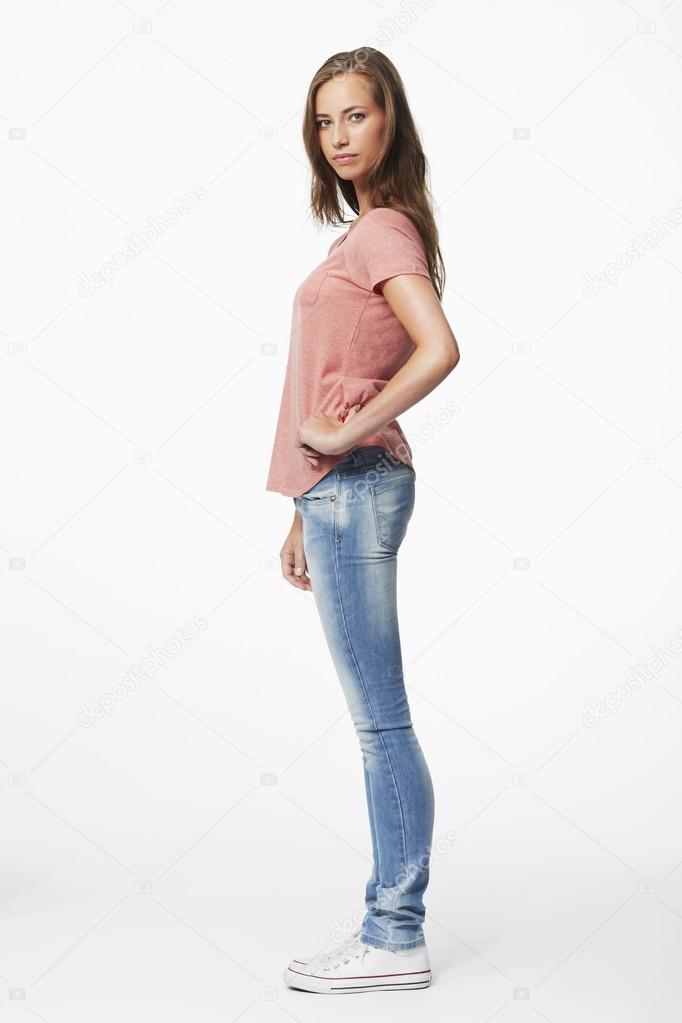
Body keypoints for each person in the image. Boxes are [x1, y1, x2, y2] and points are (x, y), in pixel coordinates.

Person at [265, 46, 460, 994]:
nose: (338, 136)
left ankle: (395, 931)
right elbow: (342, 372)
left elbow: (439, 349)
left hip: (358, 487)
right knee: (380, 718)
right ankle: (395, 925)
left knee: (380, 722)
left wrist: (345, 432)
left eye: (356, 115)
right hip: (339, 496)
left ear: (391, 122)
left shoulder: (381, 229)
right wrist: (307, 501)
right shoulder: (370, 231)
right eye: (324, 120)